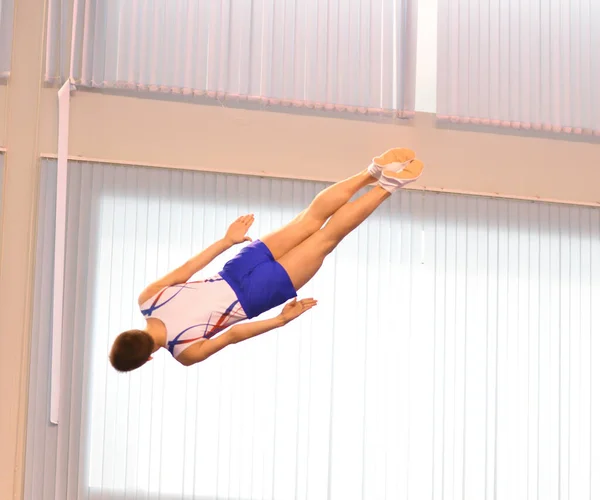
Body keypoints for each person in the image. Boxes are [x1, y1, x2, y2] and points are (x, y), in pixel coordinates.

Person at [109, 148, 424, 371]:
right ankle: (371, 172)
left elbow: (232, 335)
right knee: (310, 219)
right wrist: (226, 241)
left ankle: (387, 186)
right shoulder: (147, 298)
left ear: (147, 358)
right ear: (128, 333)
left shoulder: (184, 352)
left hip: (256, 296)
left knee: (326, 239)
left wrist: (280, 320)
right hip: (235, 268)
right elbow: (191, 267)